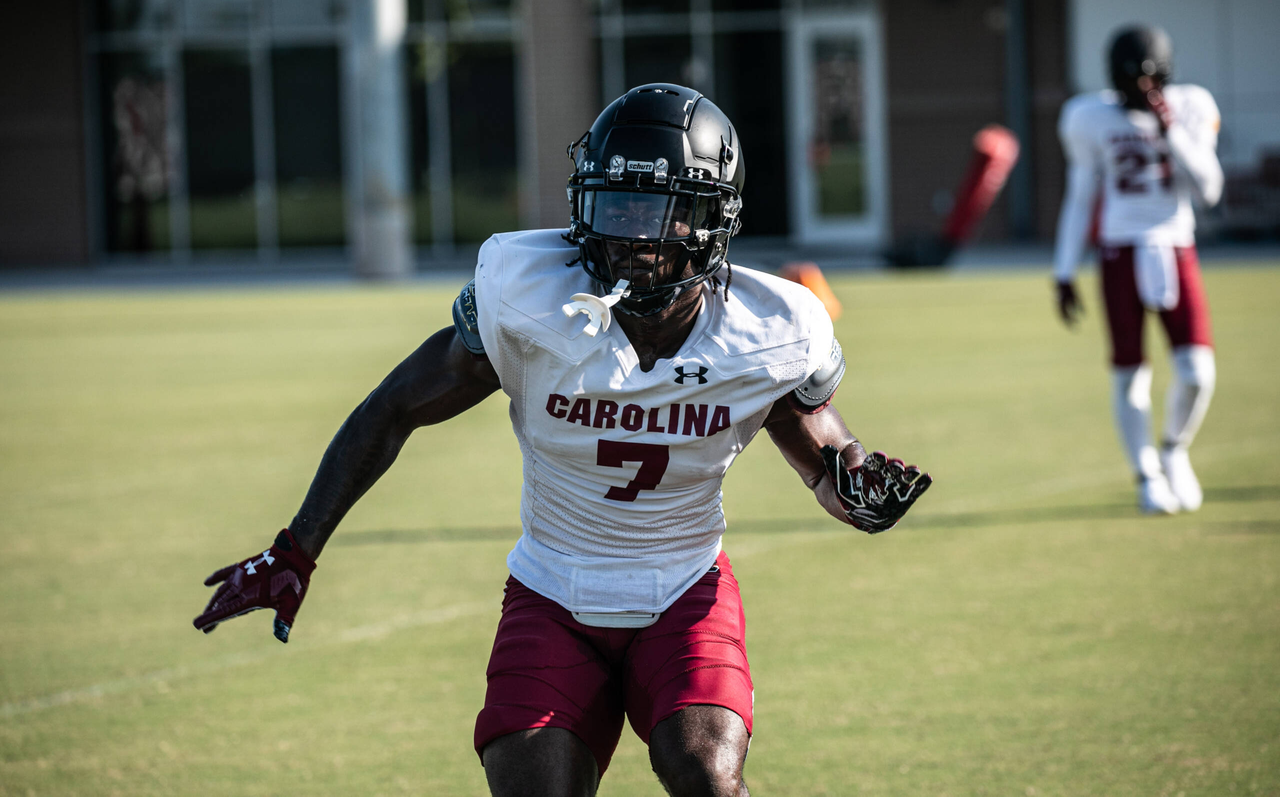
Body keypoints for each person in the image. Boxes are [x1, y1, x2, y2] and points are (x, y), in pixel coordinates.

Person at [193, 83, 932, 796]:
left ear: (710, 220)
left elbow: (829, 460)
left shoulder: (768, 335)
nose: (629, 236)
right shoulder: (529, 297)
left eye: (656, 211)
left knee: (707, 773)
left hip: (685, 591)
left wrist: (859, 493)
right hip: (551, 592)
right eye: (615, 205)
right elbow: (394, 408)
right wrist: (297, 548)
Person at [1052, 26, 1223, 514]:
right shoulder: (1090, 116)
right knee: (1130, 373)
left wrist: (1171, 130)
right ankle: (1146, 474)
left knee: (1198, 372)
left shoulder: (1191, 106)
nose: (1141, 93)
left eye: (1149, 82)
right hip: (1119, 251)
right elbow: (1082, 198)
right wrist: (1064, 271)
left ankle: (1173, 449)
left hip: (1175, 243)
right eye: (1131, 83)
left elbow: (1210, 190)